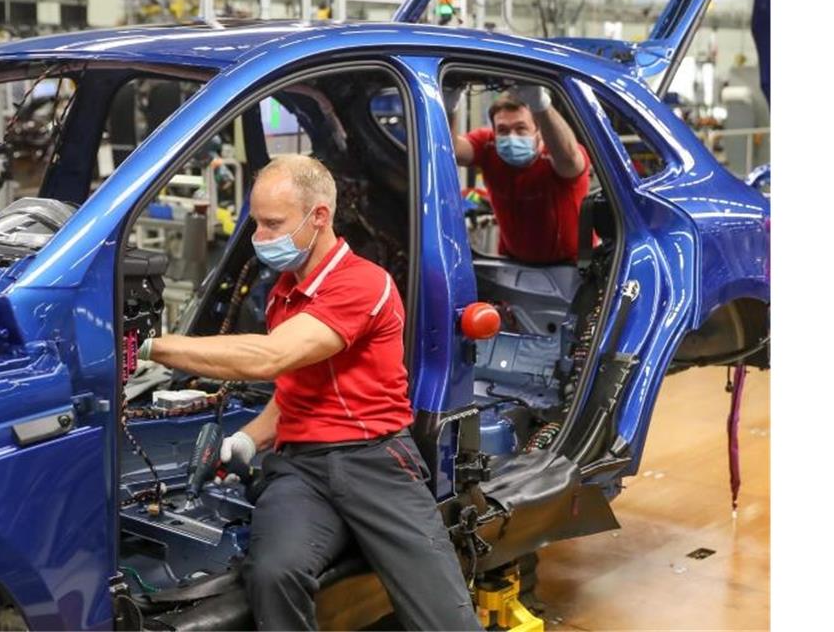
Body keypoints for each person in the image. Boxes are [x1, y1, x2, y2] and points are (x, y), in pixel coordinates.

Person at [139, 154, 481, 631]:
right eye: (256, 222)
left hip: (375, 461)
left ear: (318, 217)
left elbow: (270, 357)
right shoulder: (284, 290)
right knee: (272, 574)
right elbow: (298, 388)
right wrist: (248, 439)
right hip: (301, 467)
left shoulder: (363, 283)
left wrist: (151, 346)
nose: (260, 237)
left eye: (272, 223)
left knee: (443, 615)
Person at [454, 85, 590, 264]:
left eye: (521, 129)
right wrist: (450, 106)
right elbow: (452, 151)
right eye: (502, 130)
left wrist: (540, 104)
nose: (512, 137)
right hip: (514, 262)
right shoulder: (488, 145)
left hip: (571, 265)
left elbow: (570, 159)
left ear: (538, 132)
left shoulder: (556, 151)